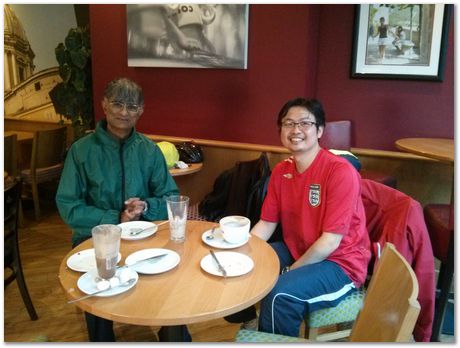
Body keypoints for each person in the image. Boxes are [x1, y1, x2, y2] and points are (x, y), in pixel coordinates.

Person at [55, 77, 189, 342]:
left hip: (145, 235)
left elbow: (171, 196)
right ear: (104, 105)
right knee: (95, 289)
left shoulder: (149, 150)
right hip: (94, 239)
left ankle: (173, 335)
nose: (124, 112)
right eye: (117, 104)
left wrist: (146, 206)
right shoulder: (81, 151)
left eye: (132, 106)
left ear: (141, 110)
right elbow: (69, 206)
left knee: (168, 281)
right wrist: (114, 218)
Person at [246, 97, 371, 336]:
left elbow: (330, 242)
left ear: (320, 130)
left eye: (304, 123)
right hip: (300, 248)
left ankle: (271, 335)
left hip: (341, 263)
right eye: (288, 123)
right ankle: (257, 325)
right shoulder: (282, 171)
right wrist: (242, 250)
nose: (295, 130)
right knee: (253, 263)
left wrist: (292, 270)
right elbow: (267, 223)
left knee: (279, 294)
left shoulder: (339, 172)